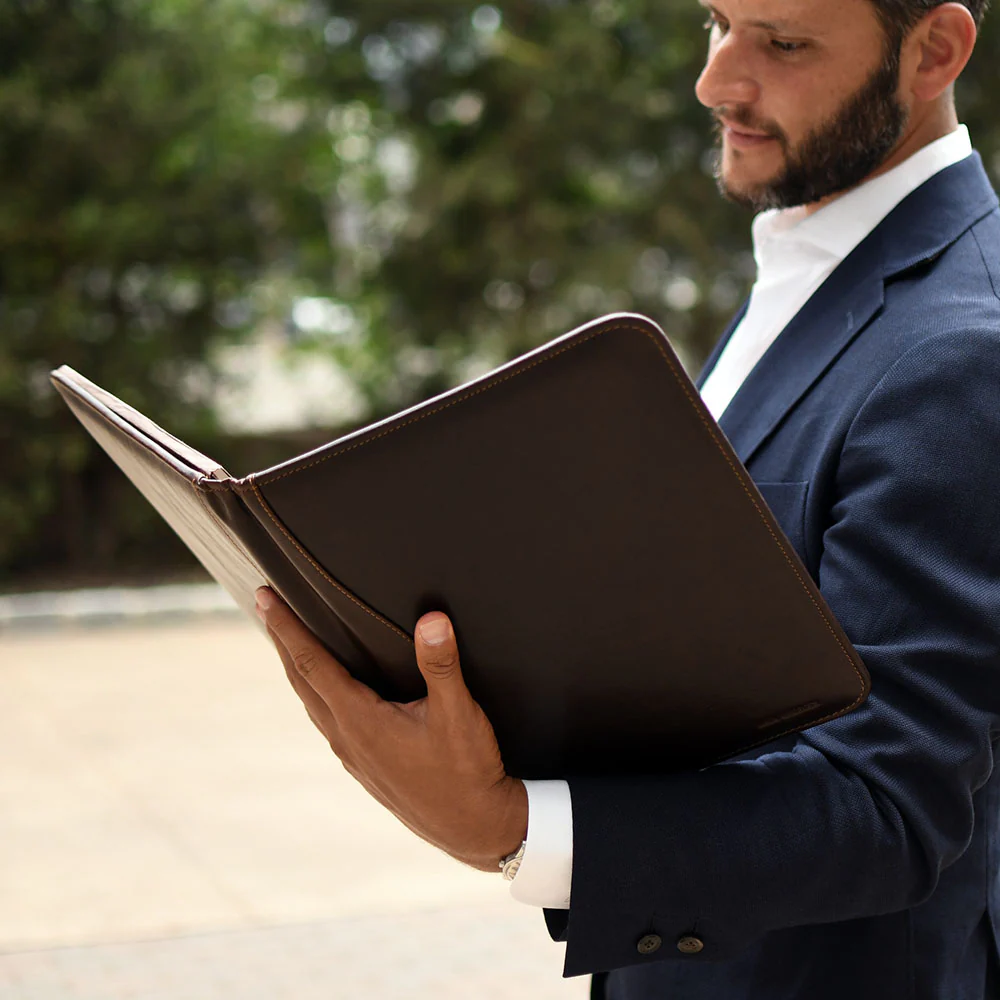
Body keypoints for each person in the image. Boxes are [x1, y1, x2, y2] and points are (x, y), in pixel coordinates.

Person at [255, 0, 1000, 996]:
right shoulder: (817, 259)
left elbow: (885, 804)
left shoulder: (961, 349)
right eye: (716, 22)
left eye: (780, 43)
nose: (716, 81)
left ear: (934, 50)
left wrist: (515, 826)